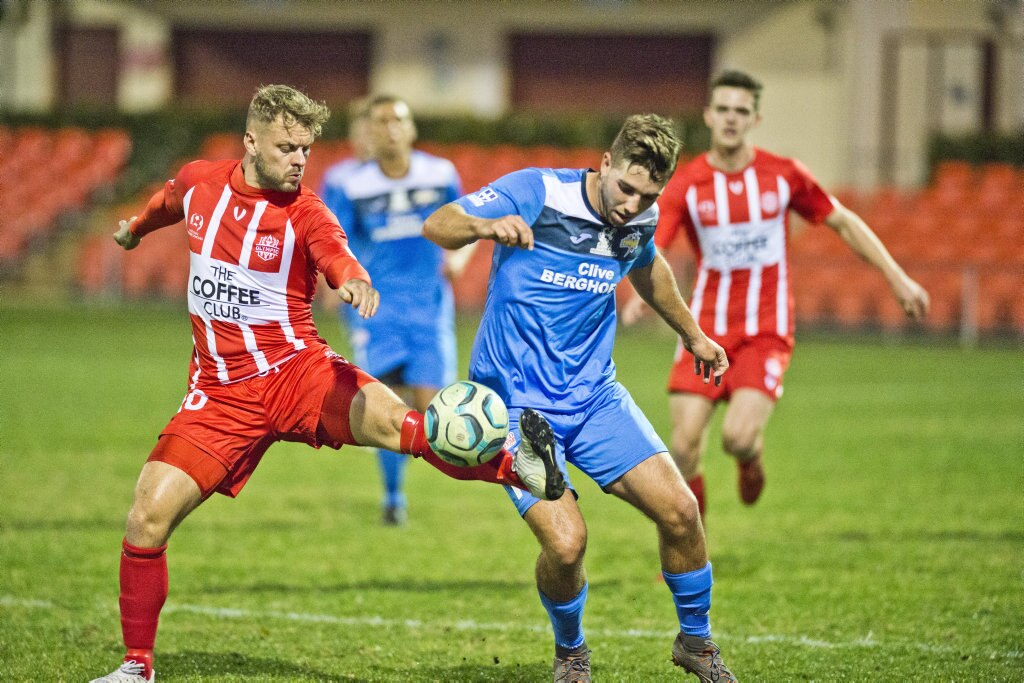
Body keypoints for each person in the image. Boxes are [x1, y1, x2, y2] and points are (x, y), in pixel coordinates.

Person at [91, 84, 564, 683]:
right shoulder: (199, 182)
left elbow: (336, 253)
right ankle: (137, 667)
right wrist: (135, 227)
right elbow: (168, 201)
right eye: (287, 148)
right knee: (145, 520)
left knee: (409, 427)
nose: (298, 160)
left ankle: (514, 465)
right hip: (218, 396)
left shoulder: (306, 210)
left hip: (298, 374)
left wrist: (353, 280)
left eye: (306, 150)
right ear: (250, 141)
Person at [423, 114, 736, 683]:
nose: (632, 203)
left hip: (595, 400)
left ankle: (696, 642)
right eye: (626, 188)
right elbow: (439, 224)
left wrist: (693, 334)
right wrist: (484, 228)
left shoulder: (639, 216)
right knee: (566, 545)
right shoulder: (539, 190)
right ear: (606, 163)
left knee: (683, 513)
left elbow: (649, 267)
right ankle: (571, 653)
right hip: (515, 409)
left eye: (648, 195)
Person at [622, 70, 930, 518]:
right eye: (723, 109)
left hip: (766, 330)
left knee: (737, 438)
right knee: (683, 448)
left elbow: (841, 220)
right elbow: (655, 245)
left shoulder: (783, 175)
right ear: (708, 115)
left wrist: (897, 277)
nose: (731, 118)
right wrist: (637, 294)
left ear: (755, 118)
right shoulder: (687, 184)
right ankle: (693, 553)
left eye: (741, 111)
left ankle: (750, 459)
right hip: (704, 329)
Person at [321, 94, 470, 525]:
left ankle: (480, 469)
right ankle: (393, 498)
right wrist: (339, 285)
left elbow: (467, 222)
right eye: (380, 121)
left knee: (430, 408)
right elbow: (334, 241)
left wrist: (459, 255)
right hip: (376, 311)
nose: (389, 129)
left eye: (397, 120)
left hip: (429, 308)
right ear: (368, 131)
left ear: (411, 129)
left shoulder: (440, 174)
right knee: (383, 405)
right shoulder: (348, 183)